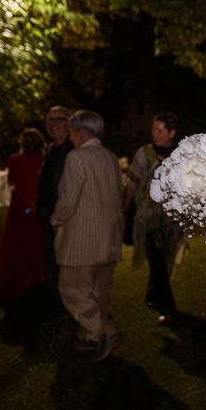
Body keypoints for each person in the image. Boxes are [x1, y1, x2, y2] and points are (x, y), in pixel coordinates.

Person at [50, 110, 124, 362]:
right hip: (109, 238)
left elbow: (67, 201)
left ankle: (107, 332)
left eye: (71, 131)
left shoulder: (77, 157)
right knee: (97, 293)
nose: (70, 137)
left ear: (81, 132)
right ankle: (95, 338)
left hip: (82, 240)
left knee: (71, 289)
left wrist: (55, 220)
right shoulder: (111, 157)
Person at [123, 112, 183, 324]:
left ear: (172, 133)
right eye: (153, 129)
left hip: (173, 220)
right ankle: (167, 308)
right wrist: (124, 209)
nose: (155, 134)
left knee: (164, 260)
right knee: (157, 259)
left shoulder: (181, 155)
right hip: (148, 220)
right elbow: (131, 183)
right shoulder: (144, 153)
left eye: (160, 130)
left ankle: (152, 294)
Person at [0, 128, 47, 301]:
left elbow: (11, 179)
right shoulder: (42, 159)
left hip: (21, 204)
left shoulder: (14, 159)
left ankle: (19, 276)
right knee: (36, 239)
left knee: (16, 238)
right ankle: (37, 276)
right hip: (35, 202)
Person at [37, 106, 73, 314]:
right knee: (53, 262)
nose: (53, 124)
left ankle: (69, 306)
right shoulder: (51, 148)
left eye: (59, 119)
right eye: (50, 120)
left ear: (69, 124)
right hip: (48, 215)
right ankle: (60, 304)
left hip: (63, 217)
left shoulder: (72, 150)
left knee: (66, 264)